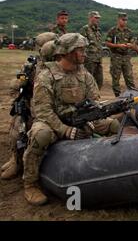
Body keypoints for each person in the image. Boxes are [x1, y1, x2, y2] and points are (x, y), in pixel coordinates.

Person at [22, 33, 120, 205]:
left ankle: (112, 169)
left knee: (112, 125)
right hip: (53, 123)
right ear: (66, 52)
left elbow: (94, 101)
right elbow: (43, 111)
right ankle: (30, 183)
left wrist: (91, 119)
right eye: (80, 50)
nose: (84, 53)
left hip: (81, 120)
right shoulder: (46, 76)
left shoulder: (85, 75)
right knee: (40, 135)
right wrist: (66, 130)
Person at [1, 33, 57, 180]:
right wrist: (22, 80)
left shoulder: (62, 65)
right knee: (17, 129)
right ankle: (16, 161)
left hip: (52, 109)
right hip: (32, 107)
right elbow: (16, 83)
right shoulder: (31, 66)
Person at [105, 13, 137, 97]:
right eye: (123, 20)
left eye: (126, 20)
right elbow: (107, 43)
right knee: (116, 78)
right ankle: (118, 96)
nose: (125, 22)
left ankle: (132, 96)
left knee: (129, 77)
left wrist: (130, 45)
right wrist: (118, 45)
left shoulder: (129, 31)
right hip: (116, 56)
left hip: (126, 56)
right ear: (118, 20)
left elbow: (134, 44)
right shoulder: (113, 31)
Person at [80, 11, 104, 89]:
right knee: (88, 81)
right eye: (96, 18)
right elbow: (81, 44)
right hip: (89, 60)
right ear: (90, 18)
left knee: (99, 81)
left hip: (98, 60)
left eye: (98, 18)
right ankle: (87, 99)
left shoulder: (98, 30)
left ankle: (95, 98)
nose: (98, 20)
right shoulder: (85, 29)